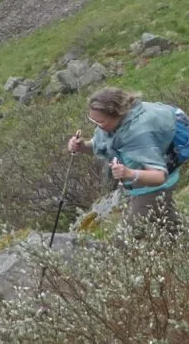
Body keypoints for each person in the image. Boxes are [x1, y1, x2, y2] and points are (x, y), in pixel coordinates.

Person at [67, 88, 182, 237]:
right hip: (136, 186)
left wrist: (128, 173)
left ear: (116, 115)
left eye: (100, 121)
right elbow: (100, 144)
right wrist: (82, 146)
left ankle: (188, 253)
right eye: (93, 120)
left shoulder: (138, 133)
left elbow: (159, 176)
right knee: (169, 227)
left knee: (127, 239)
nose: (97, 125)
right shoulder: (111, 127)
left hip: (154, 188)